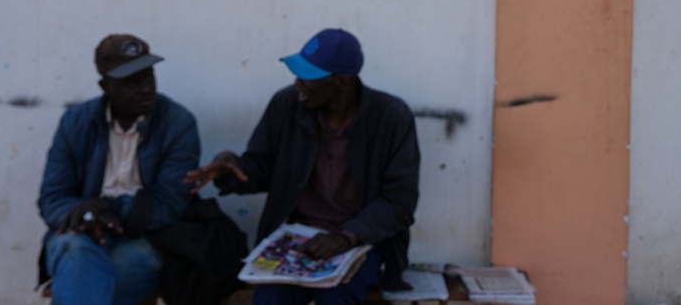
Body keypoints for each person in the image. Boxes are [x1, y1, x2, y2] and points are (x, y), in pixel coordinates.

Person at [185, 29, 420, 305]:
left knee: (336, 294)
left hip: (361, 240)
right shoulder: (287, 104)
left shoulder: (391, 117)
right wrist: (233, 170)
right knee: (271, 296)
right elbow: (263, 168)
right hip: (296, 237)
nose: (297, 83)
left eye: (307, 77)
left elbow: (399, 202)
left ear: (341, 82)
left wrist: (345, 238)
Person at [38, 35, 200, 305]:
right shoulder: (76, 121)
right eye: (131, 82)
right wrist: (91, 216)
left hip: (148, 233)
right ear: (106, 87)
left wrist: (109, 207)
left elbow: (170, 203)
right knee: (75, 252)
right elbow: (53, 197)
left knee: (90, 279)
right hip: (83, 232)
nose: (145, 88)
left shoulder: (177, 122)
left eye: (149, 77)